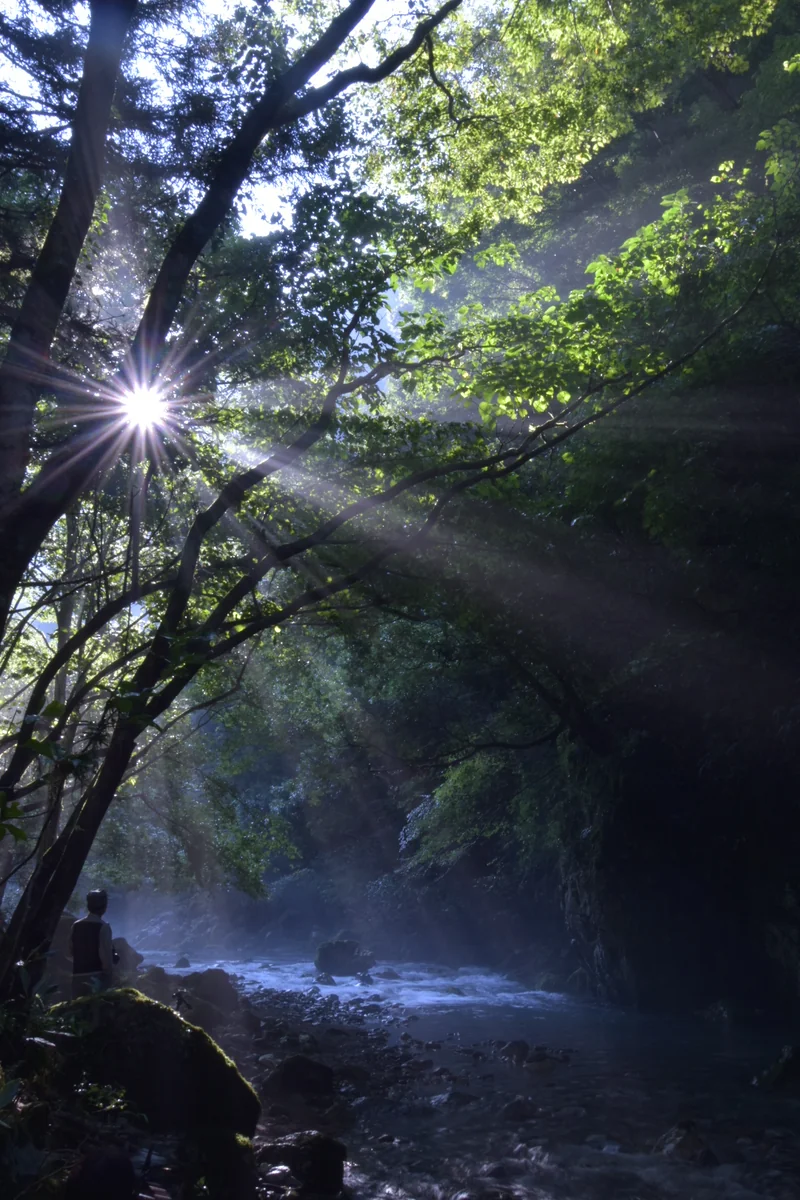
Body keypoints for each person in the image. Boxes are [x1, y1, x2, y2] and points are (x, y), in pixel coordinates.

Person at [69, 889, 114, 999]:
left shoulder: (76, 925)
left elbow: (71, 951)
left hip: (77, 976)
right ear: (104, 907)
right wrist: (109, 973)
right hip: (96, 977)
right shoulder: (103, 927)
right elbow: (105, 956)